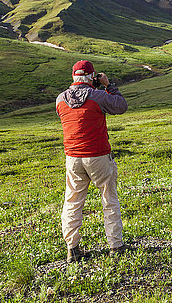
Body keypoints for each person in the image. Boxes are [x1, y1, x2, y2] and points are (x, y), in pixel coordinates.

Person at [56, 60, 128, 263]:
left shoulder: (60, 100)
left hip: (73, 158)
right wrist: (107, 85)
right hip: (98, 156)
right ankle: (116, 245)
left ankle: (72, 248)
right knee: (109, 199)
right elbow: (120, 106)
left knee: (72, 202)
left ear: (73, 77)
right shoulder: (97, 96)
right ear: (91, 77)